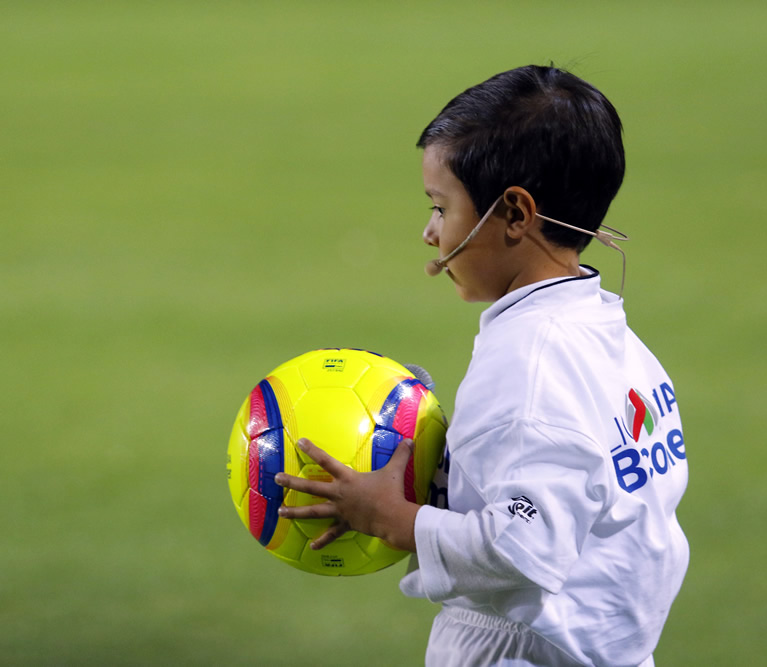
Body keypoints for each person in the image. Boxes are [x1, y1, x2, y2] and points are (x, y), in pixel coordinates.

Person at [274, 65, 689, 666]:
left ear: (516, 213)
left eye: (441, 207)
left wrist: (393, 517)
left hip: (524, 652)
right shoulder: (616, 343)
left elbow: (525, 550)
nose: (429, 232)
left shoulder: (529, 362)